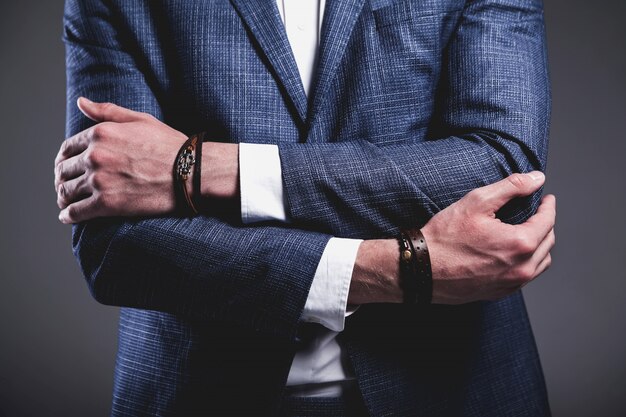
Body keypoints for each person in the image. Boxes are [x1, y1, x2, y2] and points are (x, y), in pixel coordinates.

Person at [54, 0, 555, 415]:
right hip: (199, 393)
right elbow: (114, 245)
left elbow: (503, 175)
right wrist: (398, 269)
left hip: (454, 387)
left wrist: (207, 168)